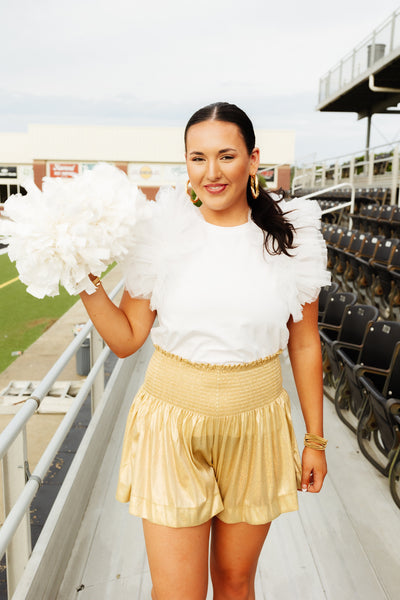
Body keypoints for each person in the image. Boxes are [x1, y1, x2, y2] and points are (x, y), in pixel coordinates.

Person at [79, 102, 330, 600]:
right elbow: (128, 340)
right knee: (178, 594)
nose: (211, 173)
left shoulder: (289, 240)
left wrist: (315, 440)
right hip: (171, 425)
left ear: (253, 160)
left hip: (256, 423)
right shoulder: (162, 236)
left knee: (236, 586)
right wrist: (81, 276)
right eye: (197, 158)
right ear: (186, 164)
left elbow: (304, 344)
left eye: (226, 156)